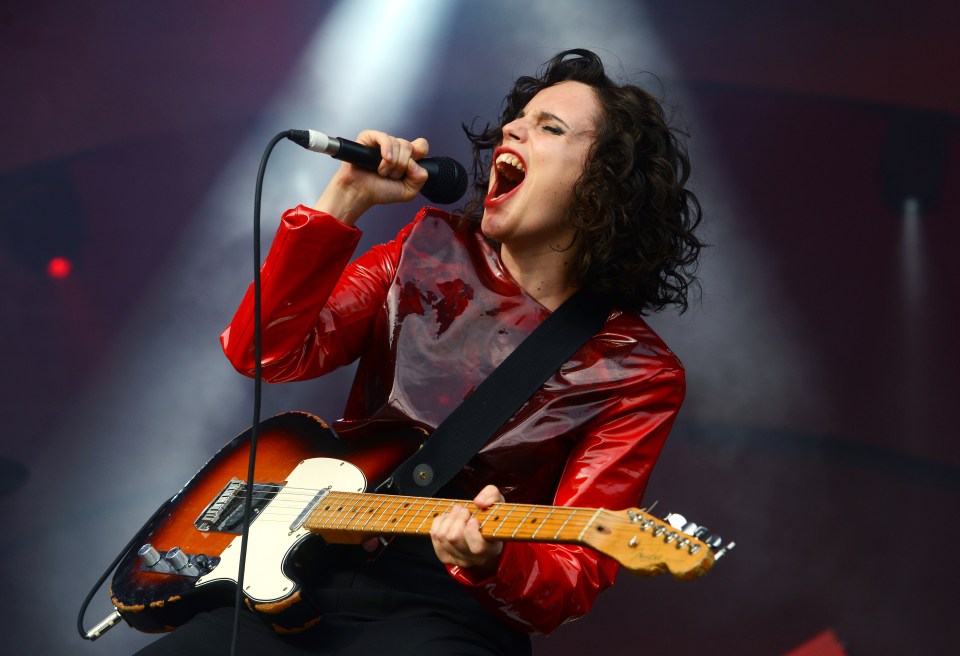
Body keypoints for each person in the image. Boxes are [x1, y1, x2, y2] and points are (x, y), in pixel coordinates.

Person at [135, 48, 703, 655]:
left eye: (550, 127)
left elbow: (570, 579)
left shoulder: (637, 370)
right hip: (302, 568)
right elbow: (264, 352)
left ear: (601, 189)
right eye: (521, 118)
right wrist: (345, 199)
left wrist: (493, 563)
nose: (512, 128)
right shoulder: (425, 249)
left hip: (446, 609)